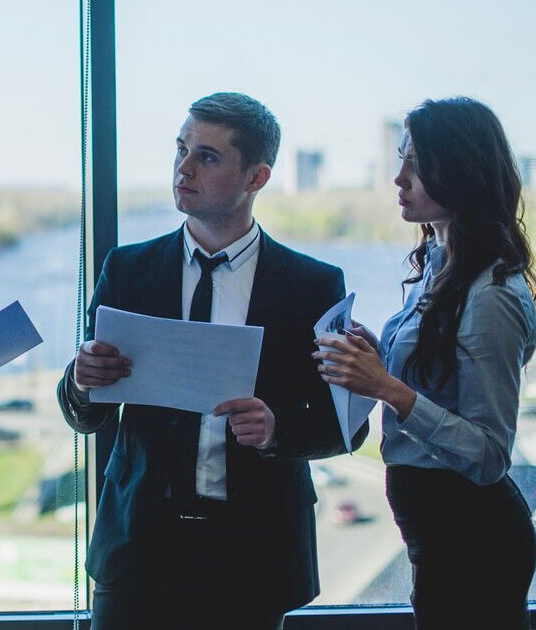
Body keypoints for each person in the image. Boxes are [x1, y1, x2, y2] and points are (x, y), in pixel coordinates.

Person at [58, 92, 368, 630]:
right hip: (137, 549)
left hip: (252, 554)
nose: (183, 167)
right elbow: (85, 414)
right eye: (181, 149)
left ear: (256, 178)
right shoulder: (127, 271)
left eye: (207, 156)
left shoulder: (312, 285)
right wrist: (82, 382)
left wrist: (277, 430)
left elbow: (347, 427)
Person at [314, 97, 536, 629]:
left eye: (414, 163)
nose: (398, 178)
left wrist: (388, 387)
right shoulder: (442, 270)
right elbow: (439, 383)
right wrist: (379, 357)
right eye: (400, 159)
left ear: (459, 171)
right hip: (439, 534)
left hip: (473, 539)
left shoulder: (491, 295)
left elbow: (488, 455)